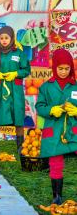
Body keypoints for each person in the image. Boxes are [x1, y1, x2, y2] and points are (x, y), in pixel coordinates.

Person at [35, 48, 77, 205]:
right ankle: (57, 196)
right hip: (53, 129)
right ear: (54, 67)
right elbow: (39, 107)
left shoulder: (75, 86)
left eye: (67, 69)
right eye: (60, 68)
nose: (64, 72)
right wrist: (51, 110)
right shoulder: (46, 87)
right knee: (55, 162)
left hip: (73, 129)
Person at [0, 26, 30, 155]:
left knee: (18, 117)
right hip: (1, 90)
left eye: (6, 38)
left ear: (12, 38)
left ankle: (20, 147)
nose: (4, 40)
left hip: (16, 91)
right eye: (1, 38)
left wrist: (16, 73)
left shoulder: (19, 53)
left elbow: (26, 70)